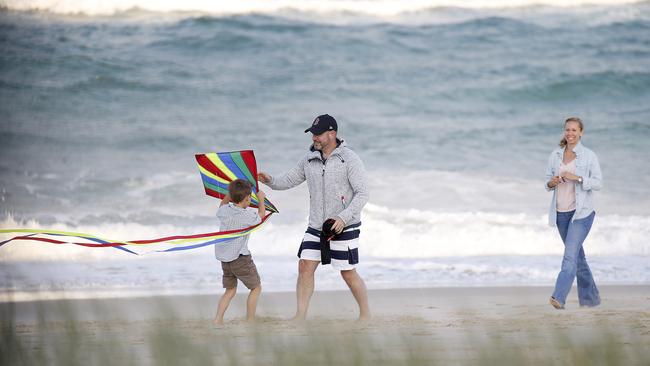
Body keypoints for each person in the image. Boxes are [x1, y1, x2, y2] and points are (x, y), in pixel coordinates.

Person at [258, 114, 371, 321]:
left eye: (318, 134)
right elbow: (290, 179)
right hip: (316, 225)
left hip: (344, 225)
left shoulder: (349, 158)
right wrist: (270, 181)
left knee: (347, 272)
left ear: (332, 134)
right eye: (312, 134)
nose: (314, 138)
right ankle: (300, 316)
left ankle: (365, 314)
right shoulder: (309, 159)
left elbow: (363, 193)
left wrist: (343, 218)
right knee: (305, 266)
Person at [545, 117, 602, 310]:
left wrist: (577, 177)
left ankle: (558, 297)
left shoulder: (589, 156)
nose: (570, 133)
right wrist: (552, 182)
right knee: (578, 258)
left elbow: (598, 183)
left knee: (569, 257)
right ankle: (591, 299)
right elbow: (547, 182)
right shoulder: (555, 155)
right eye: (567, 130)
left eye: (574, 130)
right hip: (561, 213)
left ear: (581, 132)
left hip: (581, 214)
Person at [213, 179, 265, 325]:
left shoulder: (224, 211)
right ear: (247, 198)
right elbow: (261, 215)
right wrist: (261, 199)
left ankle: (218, 319)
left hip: (225, 260)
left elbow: (222, 204)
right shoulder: (246, 216)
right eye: (250, 198)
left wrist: (229, 194)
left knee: (230, 290)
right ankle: (250, 320)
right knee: (256, 287)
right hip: (240, 258)